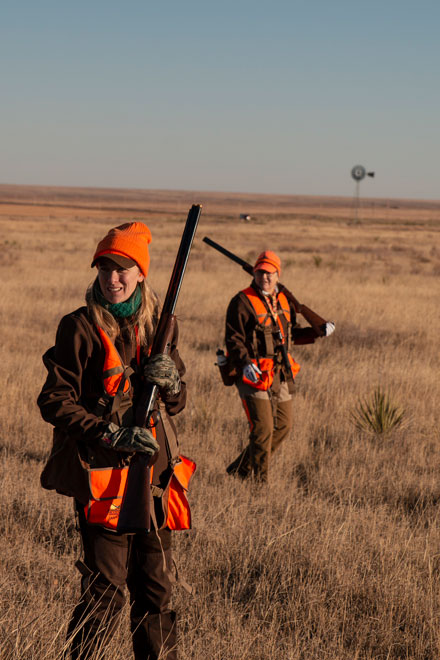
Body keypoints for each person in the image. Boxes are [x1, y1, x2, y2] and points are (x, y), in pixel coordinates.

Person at [37, 221, 188, 660]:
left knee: (156, 593)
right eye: (104, 267)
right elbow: (53, 401)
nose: (112, 277)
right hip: (102, 477)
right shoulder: (79, 327)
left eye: (122, 268)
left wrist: (172, 384)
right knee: (104, 593)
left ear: (141, 273)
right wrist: (108, 431)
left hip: (155, 477)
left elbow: (176, 404)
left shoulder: (161, 326)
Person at [225, 250, 335, 482]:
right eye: (260, 272)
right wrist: (244, 363)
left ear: (278, 274)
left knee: (283, 426)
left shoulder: (283, 300)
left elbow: (291, 334)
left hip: (280, 371)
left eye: (269, 273)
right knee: (263, 429)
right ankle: (259, 483)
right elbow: (233, 338)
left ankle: (241, 469)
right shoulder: (242, 301)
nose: (265, 277)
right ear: (254, 273)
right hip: (252, 373)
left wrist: (318, 330)